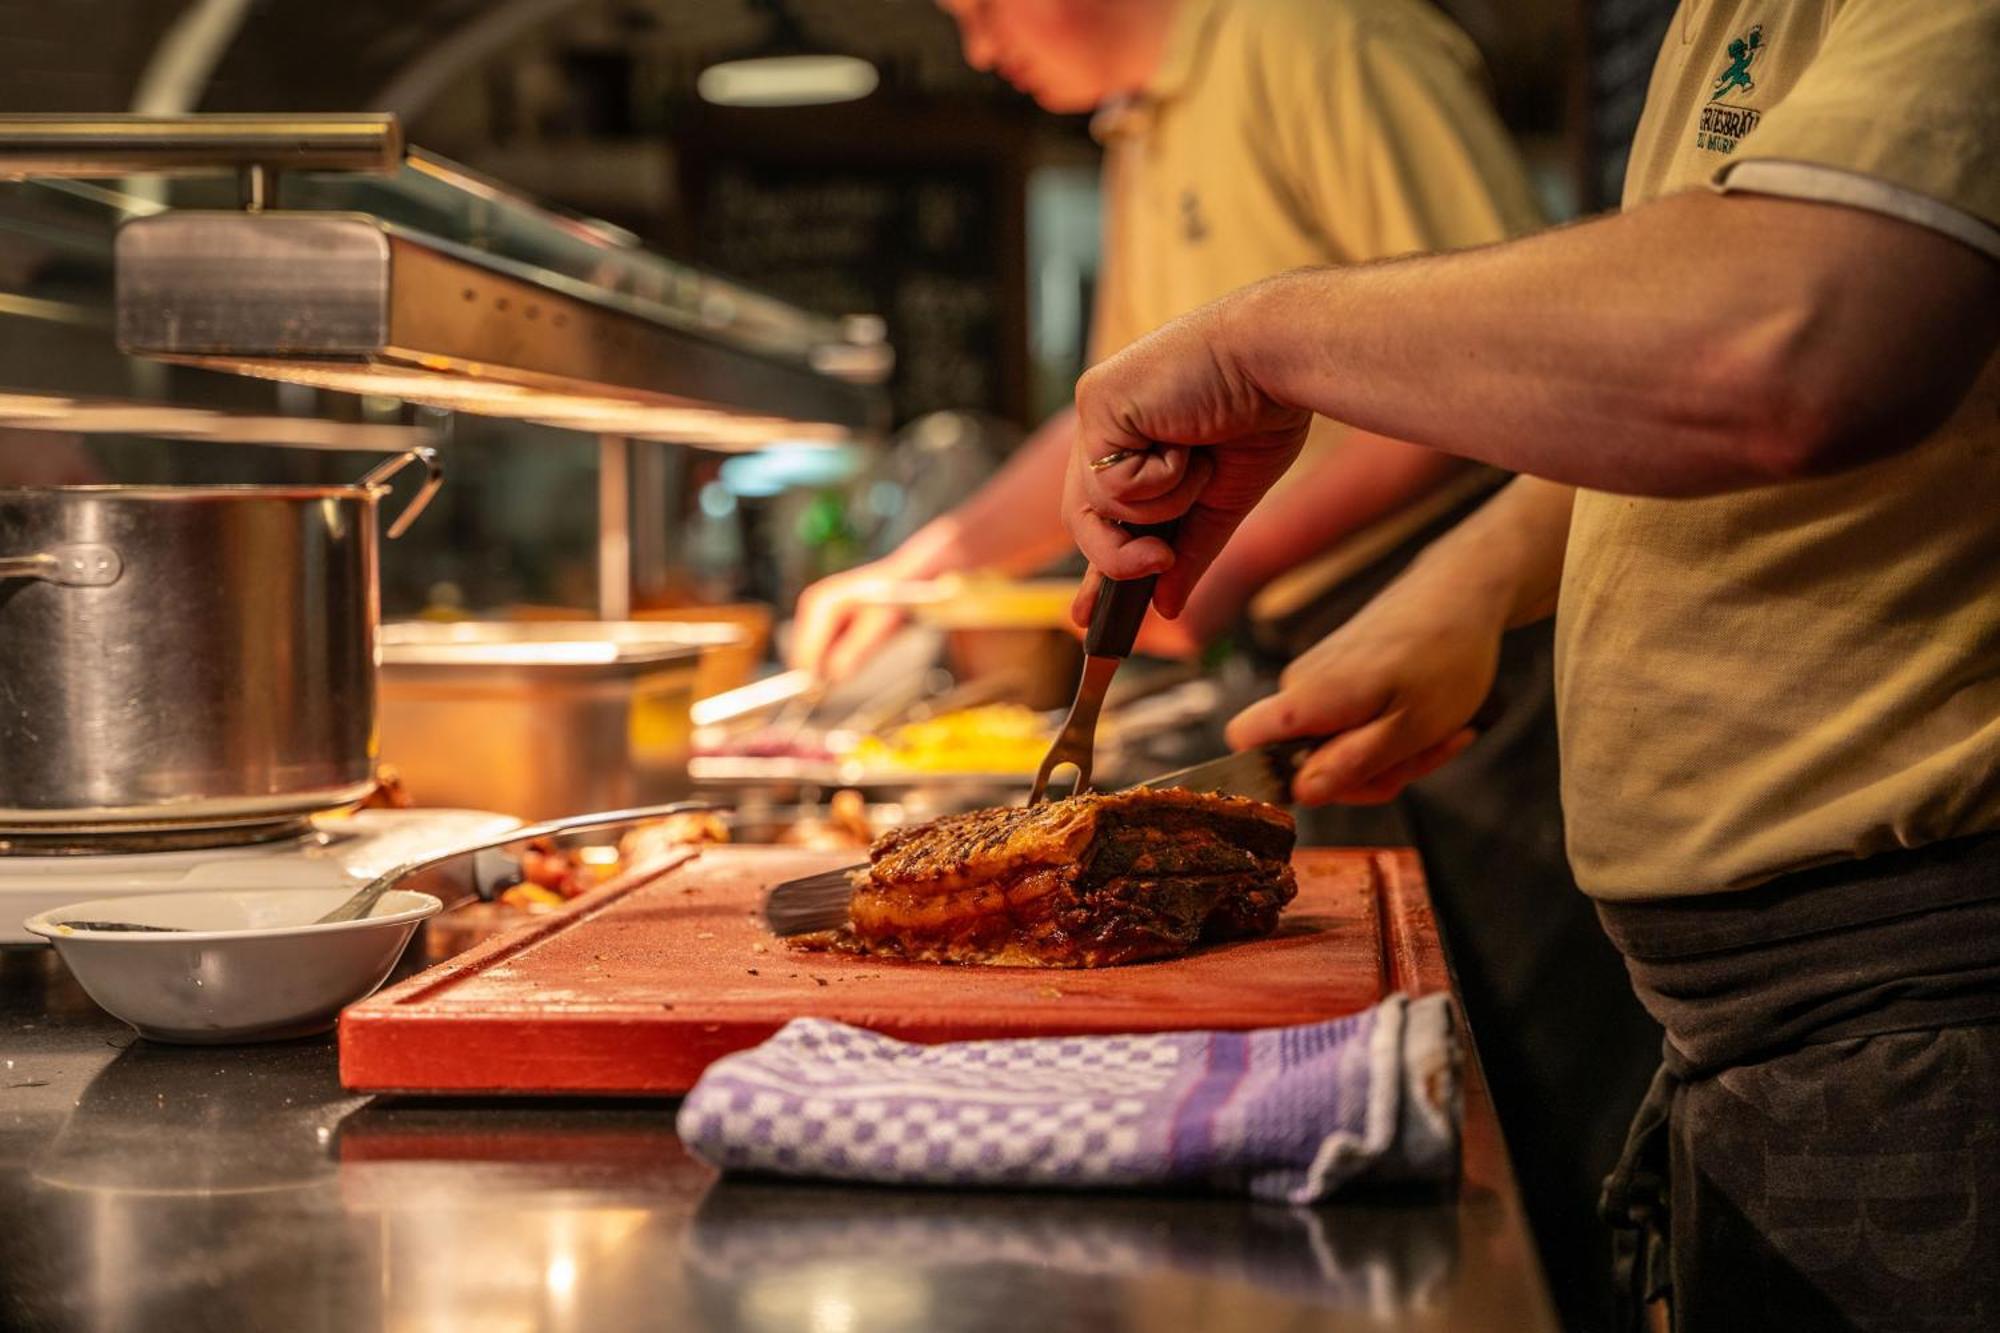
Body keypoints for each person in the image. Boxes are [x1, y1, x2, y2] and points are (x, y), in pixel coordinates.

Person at [1063, 1, 1999, 1327]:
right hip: (1766, 1006)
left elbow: (1792, 336)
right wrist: (1476, 583)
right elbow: (1670, 363)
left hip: (1926, 988)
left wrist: (1260, 339)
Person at [791, 0, 1544, 680]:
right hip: (1300, 635)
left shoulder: (1322, 37)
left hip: (1461, 621)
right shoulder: (1138, 121)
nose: (980, 51)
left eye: (983, 8)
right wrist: (911, 574)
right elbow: (1109, 419)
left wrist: (1234, 561)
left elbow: (1503, 358)